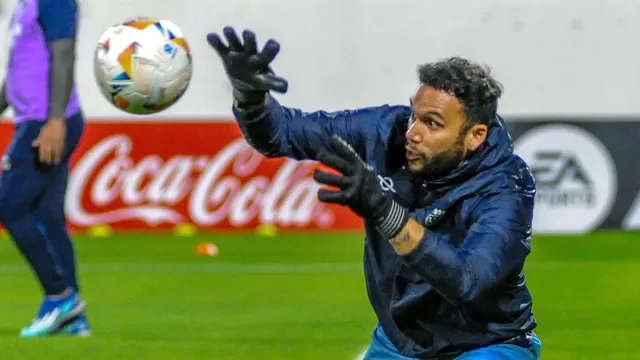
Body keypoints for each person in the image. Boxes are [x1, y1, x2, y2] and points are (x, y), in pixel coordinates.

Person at [207, 26, 542, 359]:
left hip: (485, 345)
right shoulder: (384, 131)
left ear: (475, 136)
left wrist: (386, 213)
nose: (413, 132)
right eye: (414, 114)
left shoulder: (506, 187)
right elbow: (283, 133)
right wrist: (251, 101)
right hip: (398, 342)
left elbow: (467, 282)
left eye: (433, 124)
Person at [0, 0, 89, 337]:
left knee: (8, 204)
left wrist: (54, 122)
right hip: (37, 119)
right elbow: (20, 71)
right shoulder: (27, 5)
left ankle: (59, 296)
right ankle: (73, 317)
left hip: (44, 123)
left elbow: (64, 57)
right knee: (48, 216)